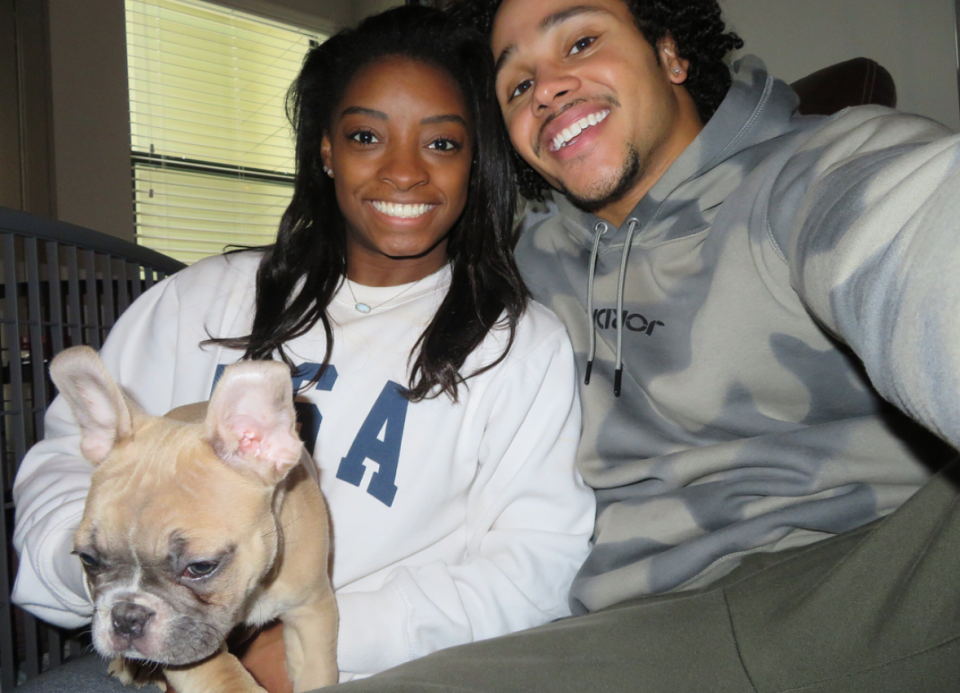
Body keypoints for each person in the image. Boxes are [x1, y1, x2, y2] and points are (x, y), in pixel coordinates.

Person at [317, 0, 960, 690]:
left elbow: (920, 236)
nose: (550, 88)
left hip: (862, 581)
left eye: (581, 41)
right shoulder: (519, 270)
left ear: (670, 52)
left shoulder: (819, 172)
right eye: (519, 85)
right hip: (628, 628)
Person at [11, 5, 595, 689]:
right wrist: (110, 580)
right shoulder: (197, 301)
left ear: (476, 161)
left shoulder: (519, 347)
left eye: (441, 144)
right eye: (365, 136)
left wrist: (310, 638)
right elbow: (63, 468)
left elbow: (535, 567)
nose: (404, 172)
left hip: (379, 667)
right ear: (326, 149)